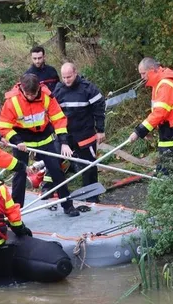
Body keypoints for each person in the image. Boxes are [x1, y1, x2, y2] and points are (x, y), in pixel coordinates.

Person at [0, 73, 80, 217]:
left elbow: (59, 119)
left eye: (34, 93)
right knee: (20, 173)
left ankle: (67, 205)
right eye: (28, 94)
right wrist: (17, 141)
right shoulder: (12, 101)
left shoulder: (47, 96)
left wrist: (64, 143)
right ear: (22, 89)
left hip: (45, 138)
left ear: (39, 89)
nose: (31, 97)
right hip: (22, 140)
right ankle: (16, 211)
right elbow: (4, 126)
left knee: (56, 170)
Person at [128, 57, 173, 174]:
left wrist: (139, 131)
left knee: (167, 169)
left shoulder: (165, 85)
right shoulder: (158, 84)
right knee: (167, 166)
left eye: (143, 73)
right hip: (171, 130)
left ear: (152, 70)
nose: (141, 78)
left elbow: (159, 113)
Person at [52, 62, 106, 202]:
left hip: (84, 134)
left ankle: (92, 197)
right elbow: (52, 113)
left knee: (88, 166)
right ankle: (51, 193)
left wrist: (100, 129)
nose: (66, 80)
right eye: (64, 77)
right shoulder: (58, 90)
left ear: (75, 73)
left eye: (69, 77)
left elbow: (99, 107)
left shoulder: (88, 88)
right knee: (53, 162)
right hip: (65, 135)